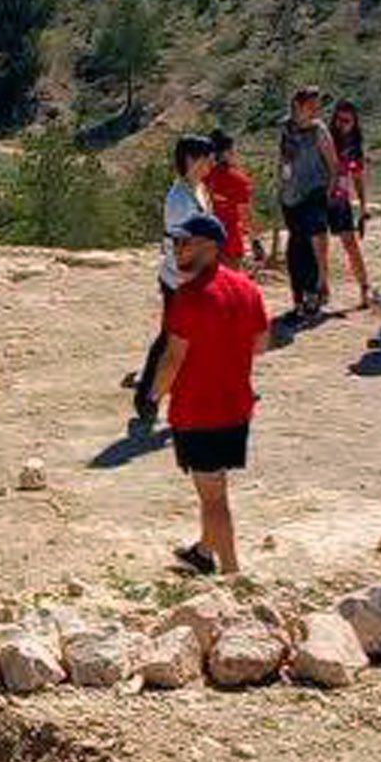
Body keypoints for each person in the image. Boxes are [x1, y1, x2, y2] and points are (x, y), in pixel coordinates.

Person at [149, 212, 270, 576]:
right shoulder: (247, 287)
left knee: (213, 497)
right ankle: (203, 550)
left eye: (184, 242)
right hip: (236, 406)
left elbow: (172, 358)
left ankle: (232, 573)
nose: (177, 249)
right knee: (215, 484)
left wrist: (153, 396)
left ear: (209, 247)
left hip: (199, 411)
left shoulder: (188, 297)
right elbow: (261, 344)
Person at [134, 133, 216, 423]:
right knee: (172, 338)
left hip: (195, 278)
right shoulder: (179, 199)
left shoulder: (198, 189)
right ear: (192, 160)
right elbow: (184, 246)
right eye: (208, 158)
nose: (212, 164)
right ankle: (147, 396)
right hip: (180, 281)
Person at [276, 88, 338, 317]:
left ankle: (315, 292)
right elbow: (282, 158)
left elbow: (333, 163)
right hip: (291, 193)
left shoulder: (319, 131)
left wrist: (329, 192)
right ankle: (298, 295)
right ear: (298, 105)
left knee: (314, 243)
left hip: (313, 191)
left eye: (316, 106)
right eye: (311, 105)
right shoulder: (286, 128)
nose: (315, 110)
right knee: (296, 246)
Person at [327, 100, 371, 310]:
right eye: (338, 119)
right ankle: (320, 290)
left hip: (340, 199)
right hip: (320, 199)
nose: (341, 124)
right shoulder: (325, 139)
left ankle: (364, 288)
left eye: (346, 121)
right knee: (318, 246)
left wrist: (363, 205)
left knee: (350, 243)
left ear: (354, 122)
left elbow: (358, 177)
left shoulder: (354, 147)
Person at [206, 131, 256, 269]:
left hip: (205, 241)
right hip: (230, 242)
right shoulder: (239, 181)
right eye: (233, 150)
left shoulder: (202, 178)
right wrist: (255, 241)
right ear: (226, 153)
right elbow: (246, 216)